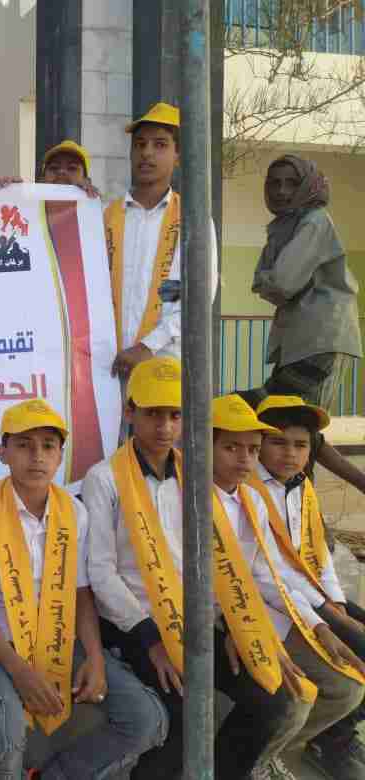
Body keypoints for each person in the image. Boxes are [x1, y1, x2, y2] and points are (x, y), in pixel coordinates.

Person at [84, 358, 316, 780]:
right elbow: (102, 573)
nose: (165, 427)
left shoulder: (195, 473)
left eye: (175, 415)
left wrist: (230, 624)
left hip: (195, 620)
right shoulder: (104, 479)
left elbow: (217, 558)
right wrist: (150, 639)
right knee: (187, 714)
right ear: (130, 412)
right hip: (135, 624)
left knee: (274, 702)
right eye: (153, 413)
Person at [0, 399, 167, 779]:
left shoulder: (73, 512)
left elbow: (81, 593)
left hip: (61, 641)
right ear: (2, 452)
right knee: (5, 737)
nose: (37, 457)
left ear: (61, 455)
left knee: (147, 719)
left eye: (48, 446)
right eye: (24, 445)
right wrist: (20, 671)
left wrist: (94, 658)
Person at [212, 393, 365, 778]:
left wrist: (331, 608)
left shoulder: (286, 490)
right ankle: (245, 762)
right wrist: (240, 627)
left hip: (292, 598)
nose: (290, 454)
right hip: (243, 611)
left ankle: (318, 742)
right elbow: (259, 575)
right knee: (290, 699)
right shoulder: (240, 491)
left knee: (349, 676)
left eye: (301, 445)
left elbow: (312, 558)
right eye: (278, 443)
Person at [240, 154, 365, 497]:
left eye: (291, 183)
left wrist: (270, 280)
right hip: (302, 340)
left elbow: (280, 283)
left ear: (308, 185)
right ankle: (304, 509)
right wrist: (271, 281)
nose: (281, 191)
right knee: (295, 425)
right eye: (274, 183)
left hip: (321, 338)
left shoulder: (314, 221)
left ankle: (302, 515)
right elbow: (268, 282)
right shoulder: (284, 226)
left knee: (287, 424)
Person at [104, 103, 217, 380]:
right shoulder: (106, 216)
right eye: (139, 144)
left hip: (163, 366)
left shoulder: (192, 220)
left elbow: (196, 296)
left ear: (178, 155)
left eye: (160, 144)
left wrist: (147, 347)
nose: (147, 153)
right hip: (106, 367)